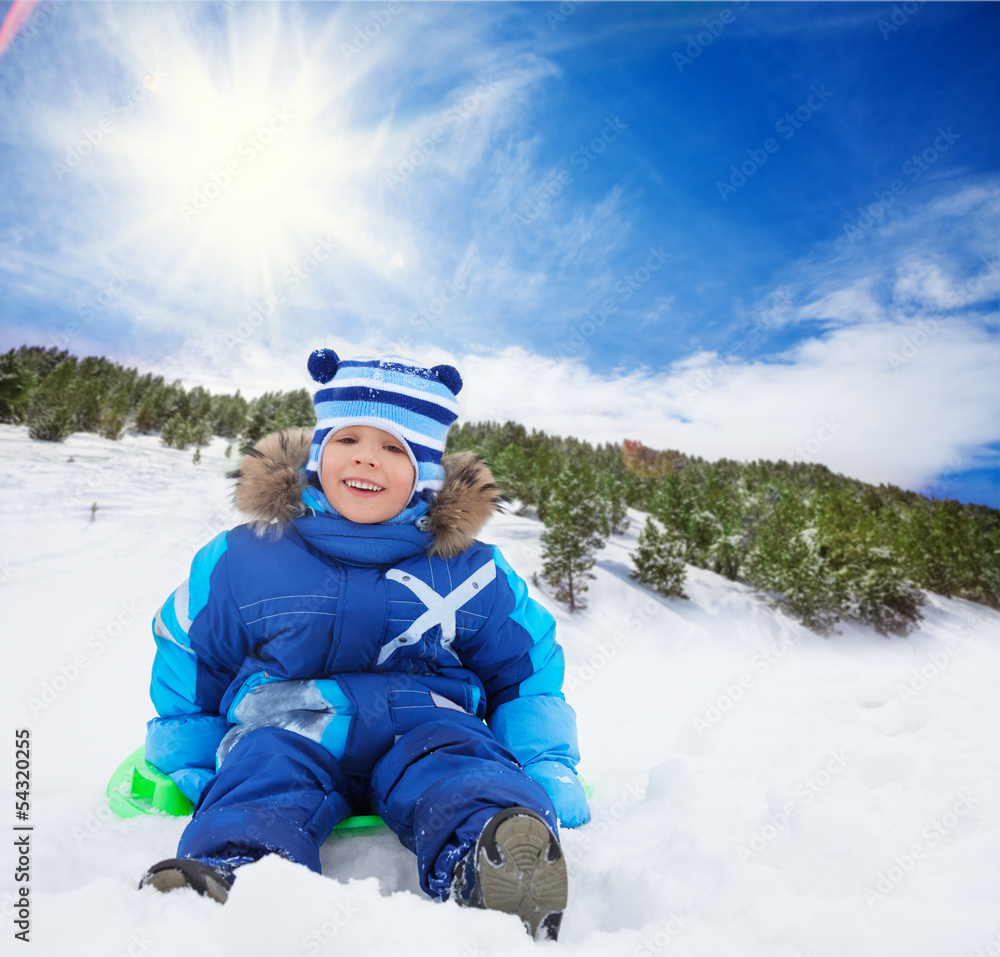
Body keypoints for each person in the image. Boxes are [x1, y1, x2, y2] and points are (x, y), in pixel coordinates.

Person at [139, 348, 590, 940]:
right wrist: (192, 754)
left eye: (393, 448)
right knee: (264, 769)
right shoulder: (249, 555)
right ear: (319, 451)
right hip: (289, 724)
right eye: (348, 438)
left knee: (460, 765)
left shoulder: (469, 569)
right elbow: (193, 651)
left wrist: (545, 762)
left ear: (426, 472)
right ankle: (236, 872)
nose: (365, 459)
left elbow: (524, 668)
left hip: (428, 724)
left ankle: (490, 858)